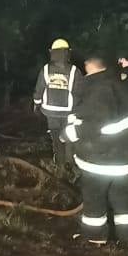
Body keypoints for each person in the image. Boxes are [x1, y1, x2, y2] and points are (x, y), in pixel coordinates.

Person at [62, 56, 128, 247]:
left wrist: (67, 134)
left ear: (92, 69)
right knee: (123, 200)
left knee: (94, 199)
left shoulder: (97, 90)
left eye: (87, 68)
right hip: (127, 160)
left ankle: (94, 237)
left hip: (100, 161)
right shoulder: (124, 87)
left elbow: (93, 123)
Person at [33, 38, 81, 170]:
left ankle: (59, 163)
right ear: (68, 53)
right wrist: (77, 109)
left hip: (50, 112)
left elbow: (39, 89)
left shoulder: (46, 69)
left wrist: (36, 104)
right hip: (69, 111)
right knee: (69, 136)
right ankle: (69, 162)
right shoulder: (74, 71)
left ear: (52, 52)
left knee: (55, 136)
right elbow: (79, 92)